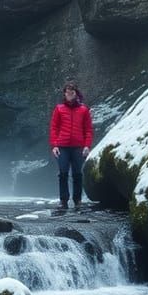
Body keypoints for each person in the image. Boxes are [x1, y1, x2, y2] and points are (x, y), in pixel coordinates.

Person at [49, 81, 93, 212]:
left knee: (77, 174)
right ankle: (63, 201)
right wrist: (54, 145)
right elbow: (54, 128)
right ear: (64, 94)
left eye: (72, 93)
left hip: (78, 146)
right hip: (62, 146)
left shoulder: (84, 110)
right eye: (67, 93)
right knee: (63, 174)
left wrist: (87, 146)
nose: (69, 95)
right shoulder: (59, 109)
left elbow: (88, 129)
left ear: (76, 94)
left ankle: (77, 201)